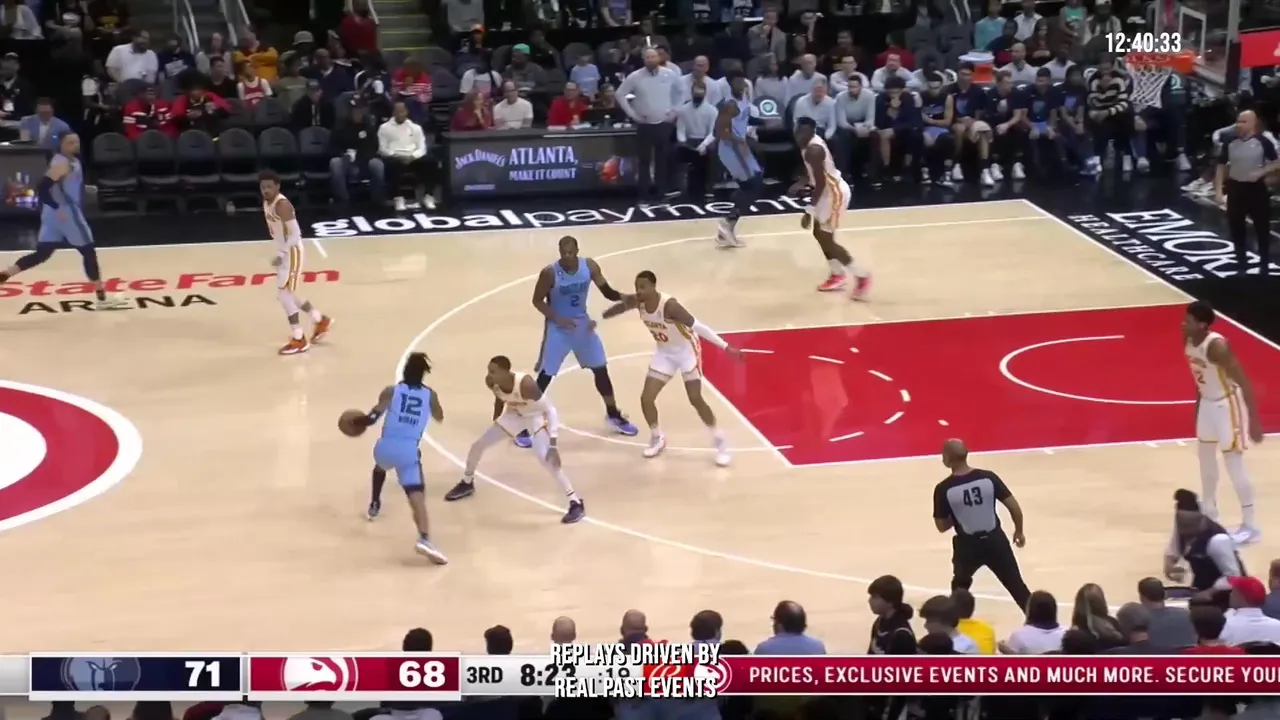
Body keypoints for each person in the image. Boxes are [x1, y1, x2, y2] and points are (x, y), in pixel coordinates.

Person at [601, 270, 741, 466]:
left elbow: (698, 326)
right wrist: (602, 317)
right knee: (646, 398)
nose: (639, 291)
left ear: (653, 286)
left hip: (687, 352)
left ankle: (720, 441)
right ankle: (657, 437)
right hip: (664, 353)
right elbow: (622, 307)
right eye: (637, 287)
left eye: (643, 287)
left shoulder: (670, 306)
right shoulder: (638, 301)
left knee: (695, 398)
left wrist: (725, 346)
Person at [519, 236, 638, 449]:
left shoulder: (589, 266)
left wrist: (624, 297)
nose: (567, 256)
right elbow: (537, 300)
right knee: (545, 376)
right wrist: (557, 318)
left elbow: (607, 292)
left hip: (582, 325)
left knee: (601, 370)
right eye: (563, 253)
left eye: (571, 252)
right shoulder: (549, 273)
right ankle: (527, 424)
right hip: (558, 329)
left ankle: (613, 414)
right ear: (559, 252)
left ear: (577, 251)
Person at [443, 355, 586, 525]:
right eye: (489, 370)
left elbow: (550, 410)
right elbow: (499, 398)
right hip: (514, 415)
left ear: (506, 371)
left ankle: (575, 502)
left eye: (493, 371)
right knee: (478, 445)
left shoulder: (526, 384)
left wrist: (553, 444)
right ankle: (467, 482)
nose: (489, 375)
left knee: (546, 458)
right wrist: (497, 420)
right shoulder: (491, 382)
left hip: (535, 417)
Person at [0, 133, 127, 309]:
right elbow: (43, 188)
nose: (75, 145)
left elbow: (63, 185)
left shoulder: (71, 161)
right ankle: (102, 298)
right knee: (88, 251)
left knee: (42, 253)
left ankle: (6, 274)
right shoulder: (62, 163)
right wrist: (58, 207)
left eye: (77, 141)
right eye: (70, 142)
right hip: (66, 213)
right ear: (61, 145)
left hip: (51, 215)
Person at [1183, 300, 1264, 542]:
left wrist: (1255, 420)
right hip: (1208, 404)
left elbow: (1244, 381)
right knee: (1205, 461)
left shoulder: (1217, 346)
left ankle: (1250, 526)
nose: (1183, 324)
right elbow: (1200, 379)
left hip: (1228, 405)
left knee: (1233, 465)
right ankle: (1209, 515)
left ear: (1202, 324)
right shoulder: (1188, 340)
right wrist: (1198, 408)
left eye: (1188, 321)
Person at [357, 352, 447, 563]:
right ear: (424, 374)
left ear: (405, 371)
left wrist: (357, 422)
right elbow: (439, 416)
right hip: (408, 451)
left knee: (380, 467)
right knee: (417, 498)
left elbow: (372, 417)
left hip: (384, 447)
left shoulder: (391, 391)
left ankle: (374, 504)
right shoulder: (430, 395)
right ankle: (424, 539)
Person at [933, 438, 1031, 609]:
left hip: (967, 546)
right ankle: (1039, 619)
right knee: (1017, 586)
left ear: (947, 459)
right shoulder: (988, 478)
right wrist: (1019, 531)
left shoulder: (944, 489)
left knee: (959, 590)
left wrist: (960, 513)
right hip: (995, 541)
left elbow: (941, 526)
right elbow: (1013, 507)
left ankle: (954, 622)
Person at [791, 116, 871, 297]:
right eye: (799, 131)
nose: (800, 135)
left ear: (812, 132)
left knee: (827, 240)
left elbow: (820, 184)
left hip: (834, 194)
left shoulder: (814, 150)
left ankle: (862, 275)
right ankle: (837, 274)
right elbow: (813, 171)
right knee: (818, 233)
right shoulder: (806, 145)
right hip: (826, 191)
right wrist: (803, 181)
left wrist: (809, 211)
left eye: (805, 132)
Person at [260, 170, 332, 355]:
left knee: (284, 296)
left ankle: (299, 339)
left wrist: (282, 253)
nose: (266, 190)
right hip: (285, 251)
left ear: (277, 187)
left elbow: (296, 234)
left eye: (269, 186)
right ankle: (319, 319)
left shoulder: (282, 205)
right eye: (263, 187)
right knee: (290, 294)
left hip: (292, 252)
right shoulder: (267, 202)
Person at [615, 47, 682, 205]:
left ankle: (661, 194)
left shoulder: (670, 74)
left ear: (659, 58)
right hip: (644, 124)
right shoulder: (635, 76)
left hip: (664, 123)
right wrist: (633, 115)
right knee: (644, 161)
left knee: (662, 161)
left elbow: (681, 93)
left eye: (653, 56)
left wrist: (675, 111)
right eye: (648, 57)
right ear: (643, 60)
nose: (651, 59)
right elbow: (619, 94)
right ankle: (643, 195)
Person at [1214, 110, 1278, 275]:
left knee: (1262, 228)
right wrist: (1218, 191)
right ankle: (1241, 264)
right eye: (1238, 121)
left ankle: (1264, 264)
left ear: (1253, 124)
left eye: (1243, 122)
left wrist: (1262, 171)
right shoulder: (1230, 141)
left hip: (1256, 189)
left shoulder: (1263, 141)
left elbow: (1277, 162)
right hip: (1236, 188)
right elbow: (1221, 166)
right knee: (1236, 228)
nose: (1239, 125)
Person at [1164, 489, 1245, 606]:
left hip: (1228, 593)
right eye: (1181, 522)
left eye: (1189, 523)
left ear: (1200, 518)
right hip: (1201, 583)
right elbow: (1173, 549)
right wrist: (1169, 566)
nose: (1185, 527)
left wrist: (1210, 592)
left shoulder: (1217, 540)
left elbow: (1234, 577)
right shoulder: (1183, 528)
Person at [712, 72, 762, 248]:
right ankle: (727, 223)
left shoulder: (744, 98)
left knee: (755, 183)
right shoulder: (729, 104)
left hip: (741, 148)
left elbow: (743, 119)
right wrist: (739, 140)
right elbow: (719, 131)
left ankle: (727, 228)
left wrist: (762, 122)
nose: (741, 83)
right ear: (730, 84)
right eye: (737, 81)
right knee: (752, 185)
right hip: (731, 149)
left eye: (743, 80)